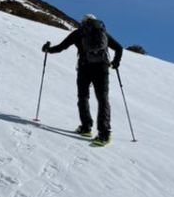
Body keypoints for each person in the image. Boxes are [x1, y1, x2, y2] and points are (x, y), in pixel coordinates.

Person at [43, 15, 123, 146]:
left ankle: (86, 127)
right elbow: (119, 48)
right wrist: (115, 62)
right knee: (103, 100)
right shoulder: (102, 33)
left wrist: (48, 49)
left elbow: (61, 47)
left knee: (83, 96)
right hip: (102, 68)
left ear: (83, 22)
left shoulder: (79, 33)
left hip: (84, 68)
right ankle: (104, 134)